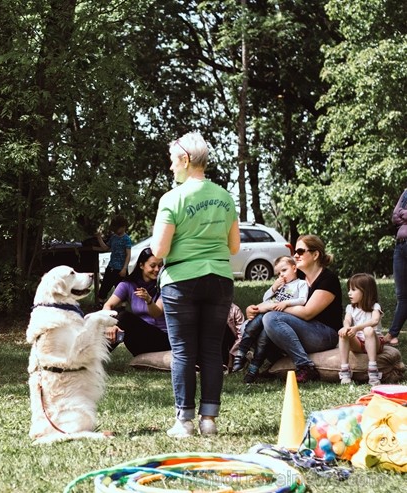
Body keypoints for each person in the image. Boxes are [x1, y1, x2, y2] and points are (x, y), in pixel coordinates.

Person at [150, 132, 239, 438]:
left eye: (173, 161)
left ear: (186, 160)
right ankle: (209, 421)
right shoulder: (225, 197)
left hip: (181, 281)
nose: (171, 167)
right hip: (219, 280)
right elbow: (235, 247)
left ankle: (184, 423)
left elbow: (159, 251)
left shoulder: (172, 198)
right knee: (212, 350)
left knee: (184, 352)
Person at [260, 235, 342, 384]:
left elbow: (307, 313)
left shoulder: (328, 279)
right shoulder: (299, 278)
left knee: (271, 318)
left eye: (300, 251)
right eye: (295, 251)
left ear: (315, 254)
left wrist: (272, 308)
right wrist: (258, 308)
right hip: (304, 329)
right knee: (257, 321)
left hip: (325, 334)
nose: (295, 255)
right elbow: (277, 297)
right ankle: (276, 363)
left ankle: (305, 367)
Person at [232, 256, 309, 379]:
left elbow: (302, 299)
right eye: (278, 273)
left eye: (284, 270)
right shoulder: (280, 285)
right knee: (250, 326)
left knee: (263, 340)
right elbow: (265, 299)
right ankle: (241, 354)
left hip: (279, 317)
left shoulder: (301, 283)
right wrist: (274, 287)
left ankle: (253, 368)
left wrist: (286, 303)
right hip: (267, 312)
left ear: (294, 268)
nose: (281, 275)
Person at [102, 247, 170, 355]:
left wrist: (149, 301)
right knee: (117, 316)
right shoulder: (128, 284)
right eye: (153, 266)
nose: (157, 269)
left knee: (125, 318)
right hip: (140, 341)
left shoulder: (165, 285)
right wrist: (110, 325)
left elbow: (157, 313)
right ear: (141, 265)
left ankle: (94, 357)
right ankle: (91, 356)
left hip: (162, 340)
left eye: (160, 265)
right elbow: (108, 305)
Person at [338, 273, 385, 386]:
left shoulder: (375, 307)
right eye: (349, 289)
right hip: (358, 342)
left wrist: (356, 328)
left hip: (374, 342)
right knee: (343, 333)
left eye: (353, 290)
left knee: (368, 330)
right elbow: (347, 320)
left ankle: (373, 370)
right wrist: (346, 327)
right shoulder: (351, 307)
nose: (349, 293)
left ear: (366, 291)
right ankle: (345, 370)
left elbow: (374, 321)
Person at [95, 215, 132, 306]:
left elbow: (128, 255)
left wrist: (124, 268)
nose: (115, 230)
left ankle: (122, 308)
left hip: (120, 269)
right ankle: (100, 305)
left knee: (121, 290)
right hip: (111, 267)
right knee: (104, 288)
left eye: (117, 228)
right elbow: (105, 248)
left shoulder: (126, 239)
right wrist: (99, 238)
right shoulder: (113, 237)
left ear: (123, 227)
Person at [387, 189, 407, 345]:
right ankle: (392, 334)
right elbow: (395, 217)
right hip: (400, 247)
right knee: (402, 296)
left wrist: (403, 213)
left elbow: (401, 214)